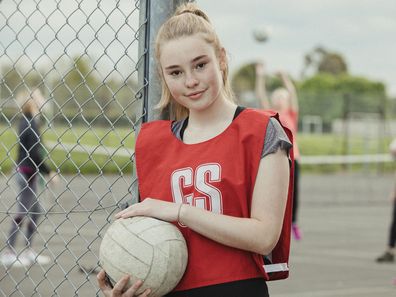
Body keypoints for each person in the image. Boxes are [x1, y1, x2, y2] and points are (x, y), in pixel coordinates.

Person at [97, 3, 294, 297]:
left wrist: (178, 210)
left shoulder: (261, 131)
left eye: (200, 65)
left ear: (222, 59)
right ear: (164, 77)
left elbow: (265, 236)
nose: (190, 81)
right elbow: (149, 242)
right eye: (175, 72)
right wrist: (127, 278)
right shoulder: (154, 143)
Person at [0, 89, 57, 267]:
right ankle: (9, 251)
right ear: (31, 100)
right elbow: (34, 153)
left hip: (29, 172)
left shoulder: (32, 121)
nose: (43, 99)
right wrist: (49, 172)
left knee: (35, 211)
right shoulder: (29, 122)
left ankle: (28, 250)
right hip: (25, 172)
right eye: (39, 96)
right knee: (23, 211)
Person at [255, 62, 302, 240]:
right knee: (275, 192)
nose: (280, 99)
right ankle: (276, 224)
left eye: (283, 97)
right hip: (275, 160)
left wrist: (284, 77)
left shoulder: (291, 114)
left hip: (293, 158)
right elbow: (261, 96)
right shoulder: (271, 114)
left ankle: (294, 223)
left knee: (295, 193)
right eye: (277, 97)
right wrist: (260, 76)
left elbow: (293, 93)